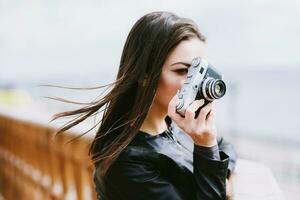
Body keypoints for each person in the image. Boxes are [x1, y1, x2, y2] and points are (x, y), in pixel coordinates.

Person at [54, 11, 236, 200]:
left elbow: (226, 147)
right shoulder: (128, 163)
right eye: (183, 71)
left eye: (201, 72)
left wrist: (214, 160)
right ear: (145, 75)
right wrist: (206, 148)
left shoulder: (174, 128)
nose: (196, 83)